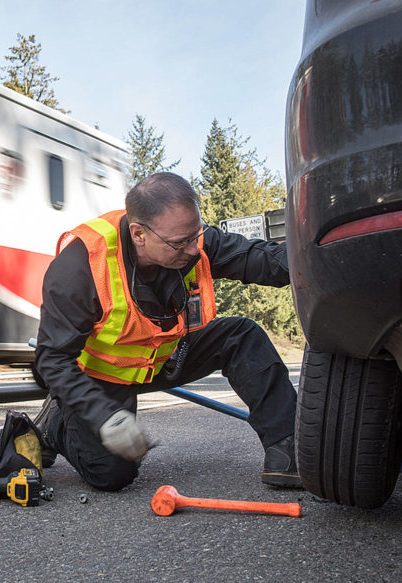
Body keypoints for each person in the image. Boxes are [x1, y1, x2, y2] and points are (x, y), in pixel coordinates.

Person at [33, 172, 301, 491]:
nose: (193, 250)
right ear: (139, 234)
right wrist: (103, 415)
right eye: (180, 243)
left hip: (166, 358)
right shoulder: (80, 267)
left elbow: (257, 258)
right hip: (105, 378)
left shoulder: (189, 240)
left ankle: (288, 447)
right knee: (113, 474)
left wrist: (314, 261)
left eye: (196, 236)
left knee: (240, 336)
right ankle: (57, 425)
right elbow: (52, 360)